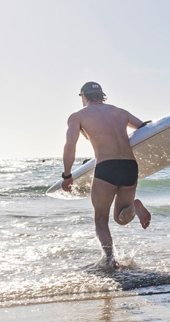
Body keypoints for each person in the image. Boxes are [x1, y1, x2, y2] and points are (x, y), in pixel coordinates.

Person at [61, 81, 151, 267]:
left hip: (106, 167)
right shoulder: (120, 112)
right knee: (121, 217)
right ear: (102, 95)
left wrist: (67, 175)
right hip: (129, 166)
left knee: (101, 220)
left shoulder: (78, 116)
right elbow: (145, 129)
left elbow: (70, 146)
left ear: (84, 97)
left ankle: (110, 261)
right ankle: (133, 208)